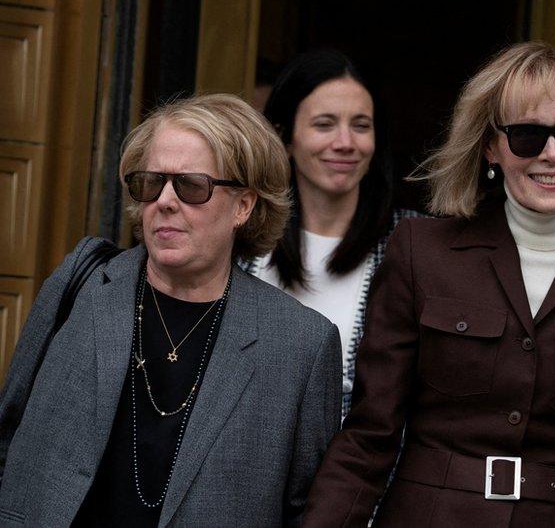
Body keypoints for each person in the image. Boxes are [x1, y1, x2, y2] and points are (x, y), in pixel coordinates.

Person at [303, 42, 555, 527]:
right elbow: (370, 435)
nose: (552, 154)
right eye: (526, 136)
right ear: (490, 146)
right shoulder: (422, 252)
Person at [0, 94, 341, 526]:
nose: (164, 200)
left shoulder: (301, 344)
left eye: (191, 186)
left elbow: (308, 509)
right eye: (150, 182)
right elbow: (8, 430)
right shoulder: (82, 285)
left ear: (243, 205)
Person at [250, 49, 423, 418]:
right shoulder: (244, 241)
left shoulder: (415, 245)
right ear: (284, 137)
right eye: (324, 124)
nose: (345, 142)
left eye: (361, 125)